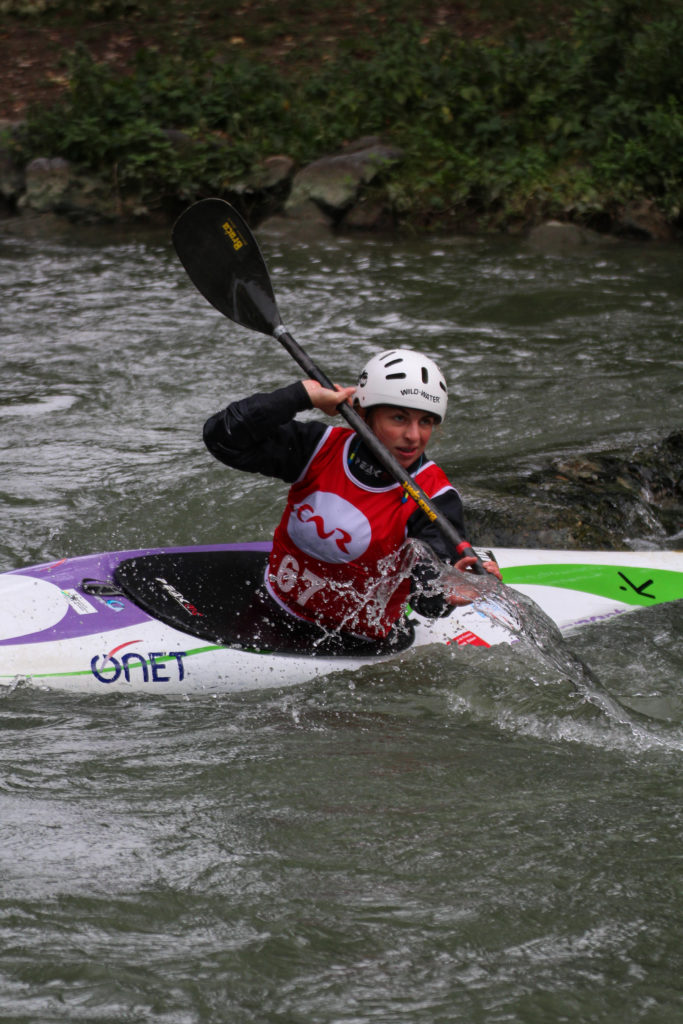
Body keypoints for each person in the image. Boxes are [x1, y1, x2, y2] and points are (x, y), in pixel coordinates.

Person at [203, 349, 501, 653]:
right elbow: (223, 438)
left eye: (425, 422)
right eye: (399, 418)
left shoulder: (433, 497)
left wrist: (448, 591)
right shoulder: (318, 447)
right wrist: (301, 396)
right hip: (273, 600)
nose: (414, 436)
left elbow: (427, 602)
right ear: (362, 413)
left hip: (354, 642)